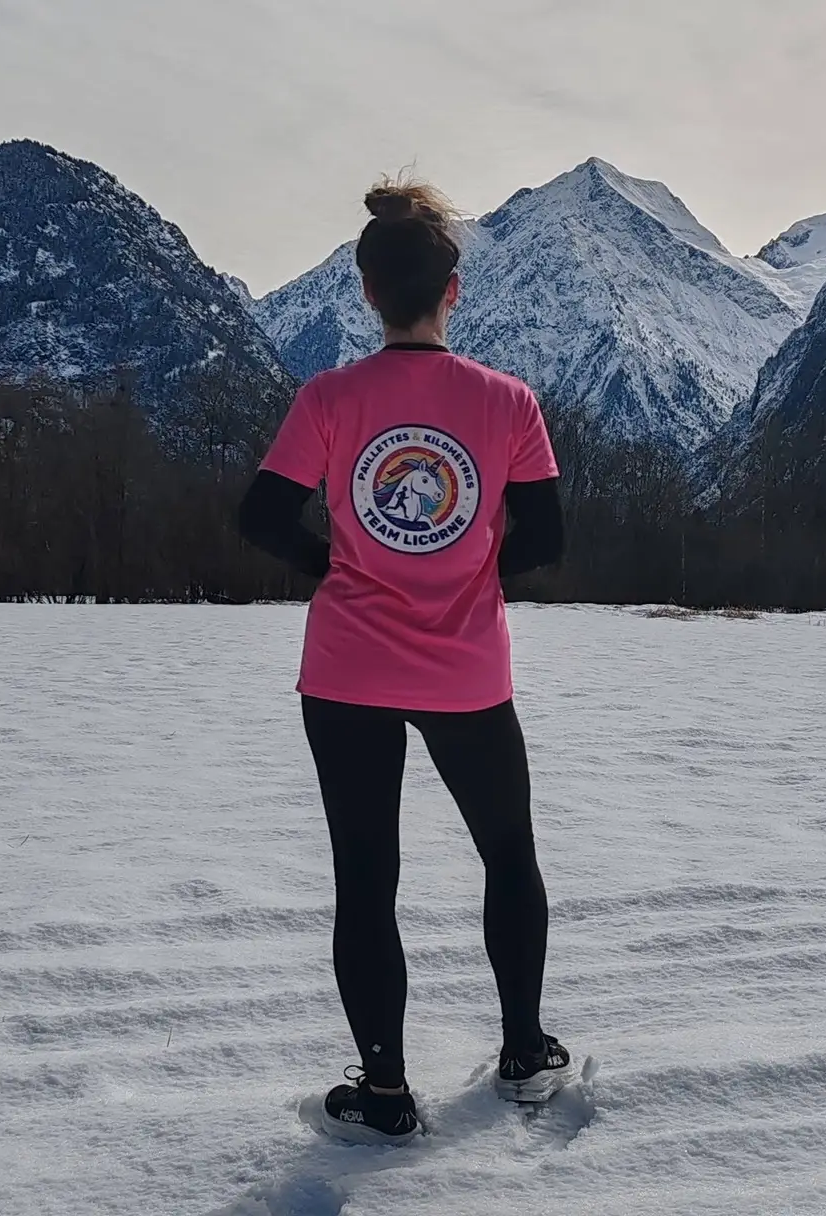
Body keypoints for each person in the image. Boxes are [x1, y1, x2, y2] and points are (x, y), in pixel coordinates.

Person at [238, 177, 571, 1145]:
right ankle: (521, 1052)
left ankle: (383, 1092)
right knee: (507, 851)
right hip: (467, 672)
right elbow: (545, 535)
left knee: (364, 878)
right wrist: (474, 574)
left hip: (344, 672)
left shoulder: (330, 399)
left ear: (368, 291)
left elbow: (260, 514)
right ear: (451, 291)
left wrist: (331, 562)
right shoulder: (506, 403)